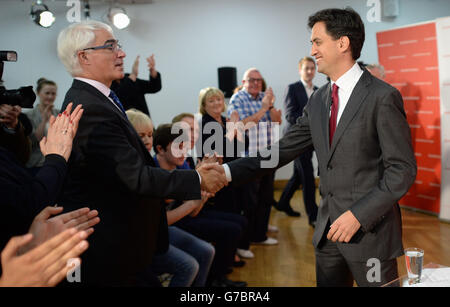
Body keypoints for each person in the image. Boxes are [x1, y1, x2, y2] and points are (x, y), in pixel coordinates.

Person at [221, 8, 416, 286]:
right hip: (327, 236)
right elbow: (283, 149)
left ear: (342, 43)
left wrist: (359, 216)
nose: (312, 50)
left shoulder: (382, 97)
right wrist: (226, 172)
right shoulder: (319, 99)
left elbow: (402, 170)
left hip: (370, 238)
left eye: (317, 41)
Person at [56, 20, 226, 286]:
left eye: (118, 46)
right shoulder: (90, 107)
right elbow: (135, 177)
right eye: (110, 46)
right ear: (84, 57)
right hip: (110, 245)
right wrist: (197, 179)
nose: (121, 53)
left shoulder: (99, 99)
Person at [227, 68, 282, 246]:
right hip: (249, 158)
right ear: (244, 82)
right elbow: (241, 126)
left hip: (268, 154)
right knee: (250, 201)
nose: (256, 83)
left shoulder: (264, 97)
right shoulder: (238, 98)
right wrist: (263, 109)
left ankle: (260, 234)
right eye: (252, 80)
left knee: (266, 198)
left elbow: (277, 122)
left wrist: (271, 106)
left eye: (259, 80)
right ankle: (247, 239)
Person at [275, 57, 319, 224]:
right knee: (307, 175)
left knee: (298, 175)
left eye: (312, 68)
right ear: (300, 70)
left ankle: (283, 202)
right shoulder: (292, 88)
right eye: (306, 68)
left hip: (312, 138)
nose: (309, 71)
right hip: (296, 139)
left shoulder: (318, 90)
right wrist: (309, 128)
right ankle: (313, 216)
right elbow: (290, 115)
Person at [25, 78, 60, 171]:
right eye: (47, 93)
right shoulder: (28, 115)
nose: (50, 97)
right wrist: (44, 120)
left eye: (53, 93)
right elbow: (33, 141)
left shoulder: (59, 114)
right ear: (38, 93)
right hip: (36, 164)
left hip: (55, 163)